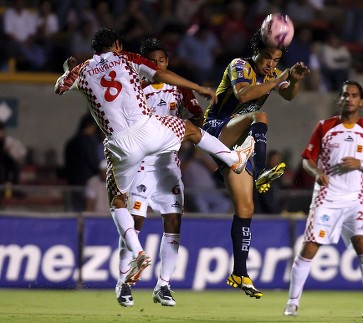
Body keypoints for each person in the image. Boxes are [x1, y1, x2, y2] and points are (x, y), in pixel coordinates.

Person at [54, 28, 254, 307]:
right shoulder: (128, 62)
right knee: (188, 131)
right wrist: (201, 87)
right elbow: (163, 84)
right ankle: (234, 159)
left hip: (125, 146)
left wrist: (71, 69)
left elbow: (60, 88)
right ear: (118, 45)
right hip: (148, 136)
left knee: (121, 204)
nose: (158, 65)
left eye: (162, 59)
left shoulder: (86, 70)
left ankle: (156, 276)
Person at [202, 27, 309, 298]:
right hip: (217, 128)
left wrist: (293, 81)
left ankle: (240, 272)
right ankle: (260, 173)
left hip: (238, 145)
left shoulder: (272, 74)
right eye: (267, 58)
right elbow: (243, 96)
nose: (271, 64)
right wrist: (277, 80)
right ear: (257, 52)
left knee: (246, 209)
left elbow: (289, 94)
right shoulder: (240, 65)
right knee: (258, 116)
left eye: (275, 60)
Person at [122, 37, 210, 307]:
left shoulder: (178, 89)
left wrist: (188, 127)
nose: (158, 65)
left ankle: (164, 285)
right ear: (145, 64)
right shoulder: (135, 89)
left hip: (168, 166)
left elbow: (196, 118)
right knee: (135, 223)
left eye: (162, 60)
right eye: (153, 61)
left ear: (167, 63)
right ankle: (124, 283)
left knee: (173, 222)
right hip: (140, 165)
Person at [283, 80, 363, 318]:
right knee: (310, 247)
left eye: (354, 95)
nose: (349, 98)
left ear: (362, 101)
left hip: (356, 197)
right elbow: (307, 159)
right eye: (345, 95)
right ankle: (292, 302)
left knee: (362, 243)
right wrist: (317, 173)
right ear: (339, 99)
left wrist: (360, 164)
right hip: (327, 197)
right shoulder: (324, 127)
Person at [64, 113, 101, 211]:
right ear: (90, 126)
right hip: (86, 183)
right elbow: (94, 163)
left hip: (72, 183)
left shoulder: (71, 142)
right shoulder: (87, 143)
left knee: (75, 211)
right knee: (85, 211)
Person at [0, 122, 27, 197]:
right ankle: (1, 190)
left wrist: (12, 152)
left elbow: (22, 152)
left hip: (6, 163)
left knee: (15, 166)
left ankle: (15, 189)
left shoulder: (8, 141)